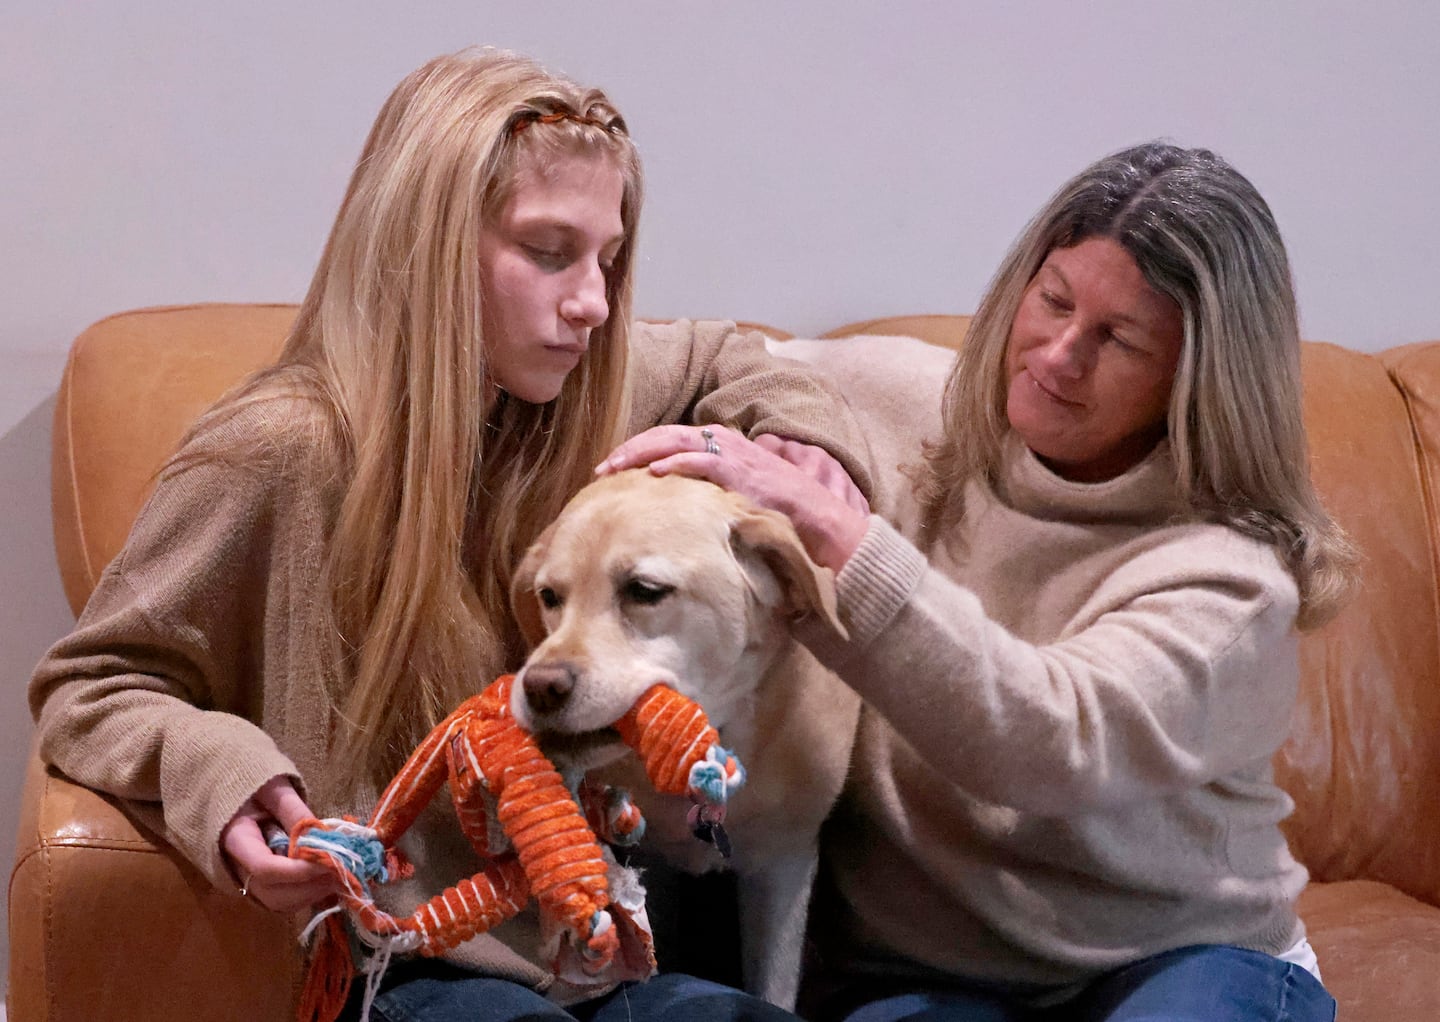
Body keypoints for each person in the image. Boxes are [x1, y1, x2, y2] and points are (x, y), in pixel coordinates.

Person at [29, 48, 871, 1022]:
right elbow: (91, 684)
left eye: (609, 258)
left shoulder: (585, 385)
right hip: (410, 962)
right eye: (551, 252)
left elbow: (745, 357)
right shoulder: (276, 451)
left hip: (606, 937)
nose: (593, 301)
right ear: (428, 242)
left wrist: (802, 453)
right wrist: (225, 780)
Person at [601, 142, 1351, 1021]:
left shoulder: (1232, 576)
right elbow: (711, 357)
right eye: (1054, 301)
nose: (1058, 356)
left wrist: (842, 535)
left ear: (1197, 381)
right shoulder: (916, 405)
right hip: (927, 976)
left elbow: (1046, 739)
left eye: (1118, 339)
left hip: (1183, 958)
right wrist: (801, 435)